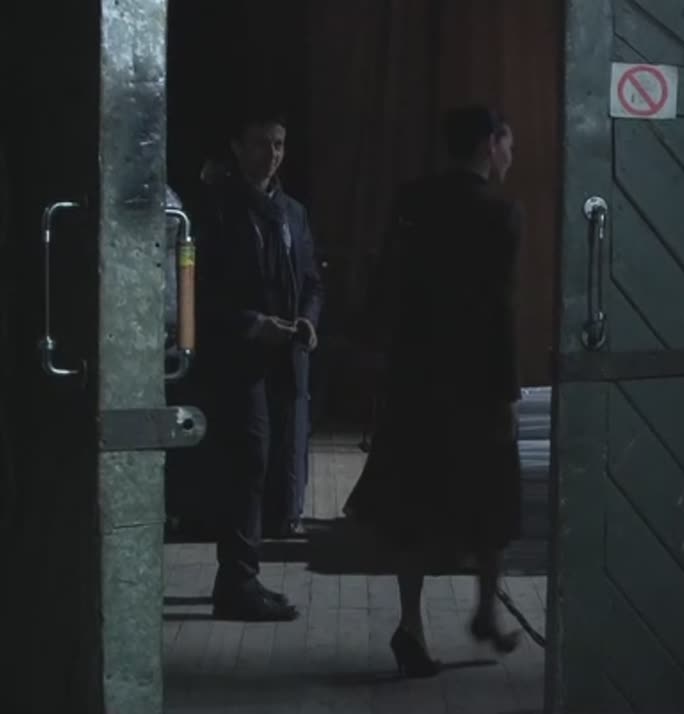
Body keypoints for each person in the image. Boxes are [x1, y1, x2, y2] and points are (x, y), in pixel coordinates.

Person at [343, 104, 525, 676]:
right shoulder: (501, 212)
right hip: (475, 381)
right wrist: (508, 390)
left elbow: (388, 281)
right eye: (508, 143)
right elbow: (499, 309)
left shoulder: (412, 200)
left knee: (412, 500)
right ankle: (485, 611)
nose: (511, 155)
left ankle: (411, 623)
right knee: (493, 495)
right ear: (489, 144)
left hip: (415, 375)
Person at [194, 105, 323, 622]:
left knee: (269, 463)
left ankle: (244, 574)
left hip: (285, 356)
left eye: (278, 144)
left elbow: (312, 279)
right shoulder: (218, 210)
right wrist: (252, 323)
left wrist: (308, 319)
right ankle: (237, 582)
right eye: (260, 143)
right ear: (236, 147)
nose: (271, 154)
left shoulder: (292, 212)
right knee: (246, 462)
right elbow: (202, 290)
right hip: (237, 356)